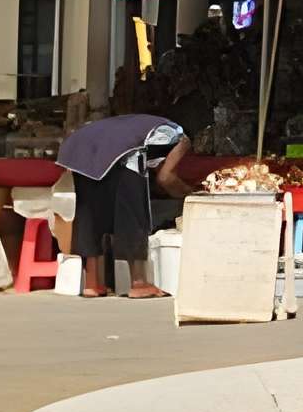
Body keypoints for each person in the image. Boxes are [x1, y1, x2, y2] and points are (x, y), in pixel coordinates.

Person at [55, 112, 200, 299]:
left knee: (90, 214)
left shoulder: (144, 128)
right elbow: (166, 178)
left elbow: (157, 169)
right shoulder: (180, 136)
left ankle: (92, 284)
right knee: (132, 213)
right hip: (123, 154)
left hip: (80, 147)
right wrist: (190, 193)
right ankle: (139, 284)